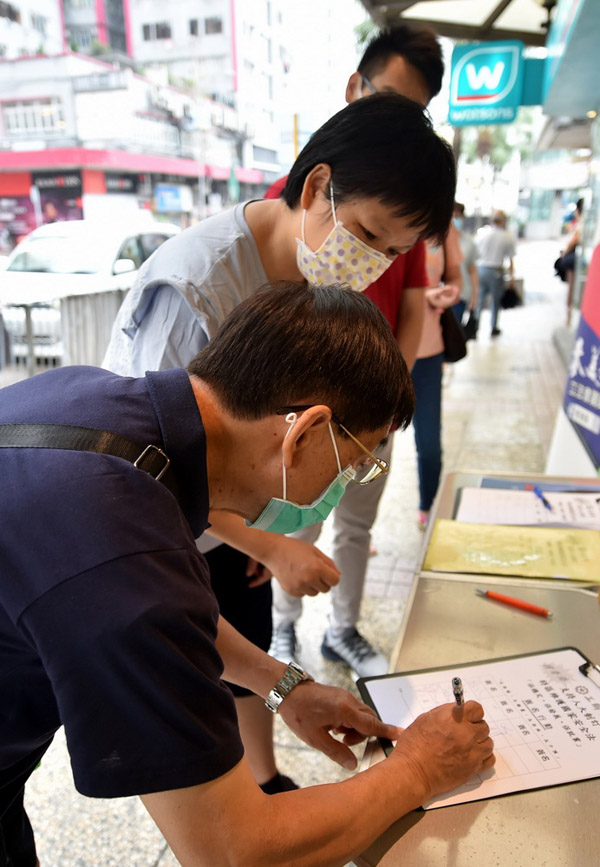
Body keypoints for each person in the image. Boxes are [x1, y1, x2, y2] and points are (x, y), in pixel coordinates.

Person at [1, 284, 495, 867]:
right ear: (303, 432)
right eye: (355, 465)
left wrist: (284, 687)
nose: (343, 485)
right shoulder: (121, 552)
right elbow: (234, 850)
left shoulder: (88, 400)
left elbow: (159, 611)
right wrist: (419, 768)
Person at [103, 92, 457, 794]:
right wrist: (267, 541)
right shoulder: (196, 287)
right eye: (369, 234)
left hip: (223, 521)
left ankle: (261, 776)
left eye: (393, 253)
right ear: (319, 185)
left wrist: (261, 531)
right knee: (190, 680)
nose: (374, 263)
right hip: (160, 528)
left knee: (246, 636)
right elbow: (141, 476)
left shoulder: (308, 276)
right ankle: (240, 786)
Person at [270, 22, 446, 679]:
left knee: (356, 525)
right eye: (390, 101)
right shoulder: (302, 193)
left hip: (374, 407)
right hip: (305, 411)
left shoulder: (408, 210)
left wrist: (388, 399)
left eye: (416, 112)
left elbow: (412, 306)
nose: (402, 124)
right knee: (296, 524)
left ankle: (342, 629)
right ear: (355, 87)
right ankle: (281, 629)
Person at [413, 225, 463, 530]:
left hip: (429, 353)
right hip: (383, 348)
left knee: (430, 443)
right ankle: (359, 527)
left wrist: (448, 293)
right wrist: (423, 296)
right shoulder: (383, 212)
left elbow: (455, 277)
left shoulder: (443, 227)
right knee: (372, 444)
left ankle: (428, 506)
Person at [475, 210, 516, 337]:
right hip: (495, 272)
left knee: (479, 300)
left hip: (480, 269)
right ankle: (493, 327)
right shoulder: (506, 236)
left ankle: (475, 327)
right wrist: (512, 277)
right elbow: (511, 259)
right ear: (503, 221)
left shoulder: (482, 233)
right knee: (495, 301)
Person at [554, 197, 583, 326]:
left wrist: (564, 254)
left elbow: (572, 242)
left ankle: (569, 317)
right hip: (577, 262)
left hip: (574, 262)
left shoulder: (581, 224)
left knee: (572, 290)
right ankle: (570, 316)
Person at [451, 201, 479, 329]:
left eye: (458, 216)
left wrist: (475, 296)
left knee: (455, 331)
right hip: (439, 294)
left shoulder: (468, 242)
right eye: (452, 216)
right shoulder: (436, 241)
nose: (455, 220)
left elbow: (472, 270)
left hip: (461, 296)